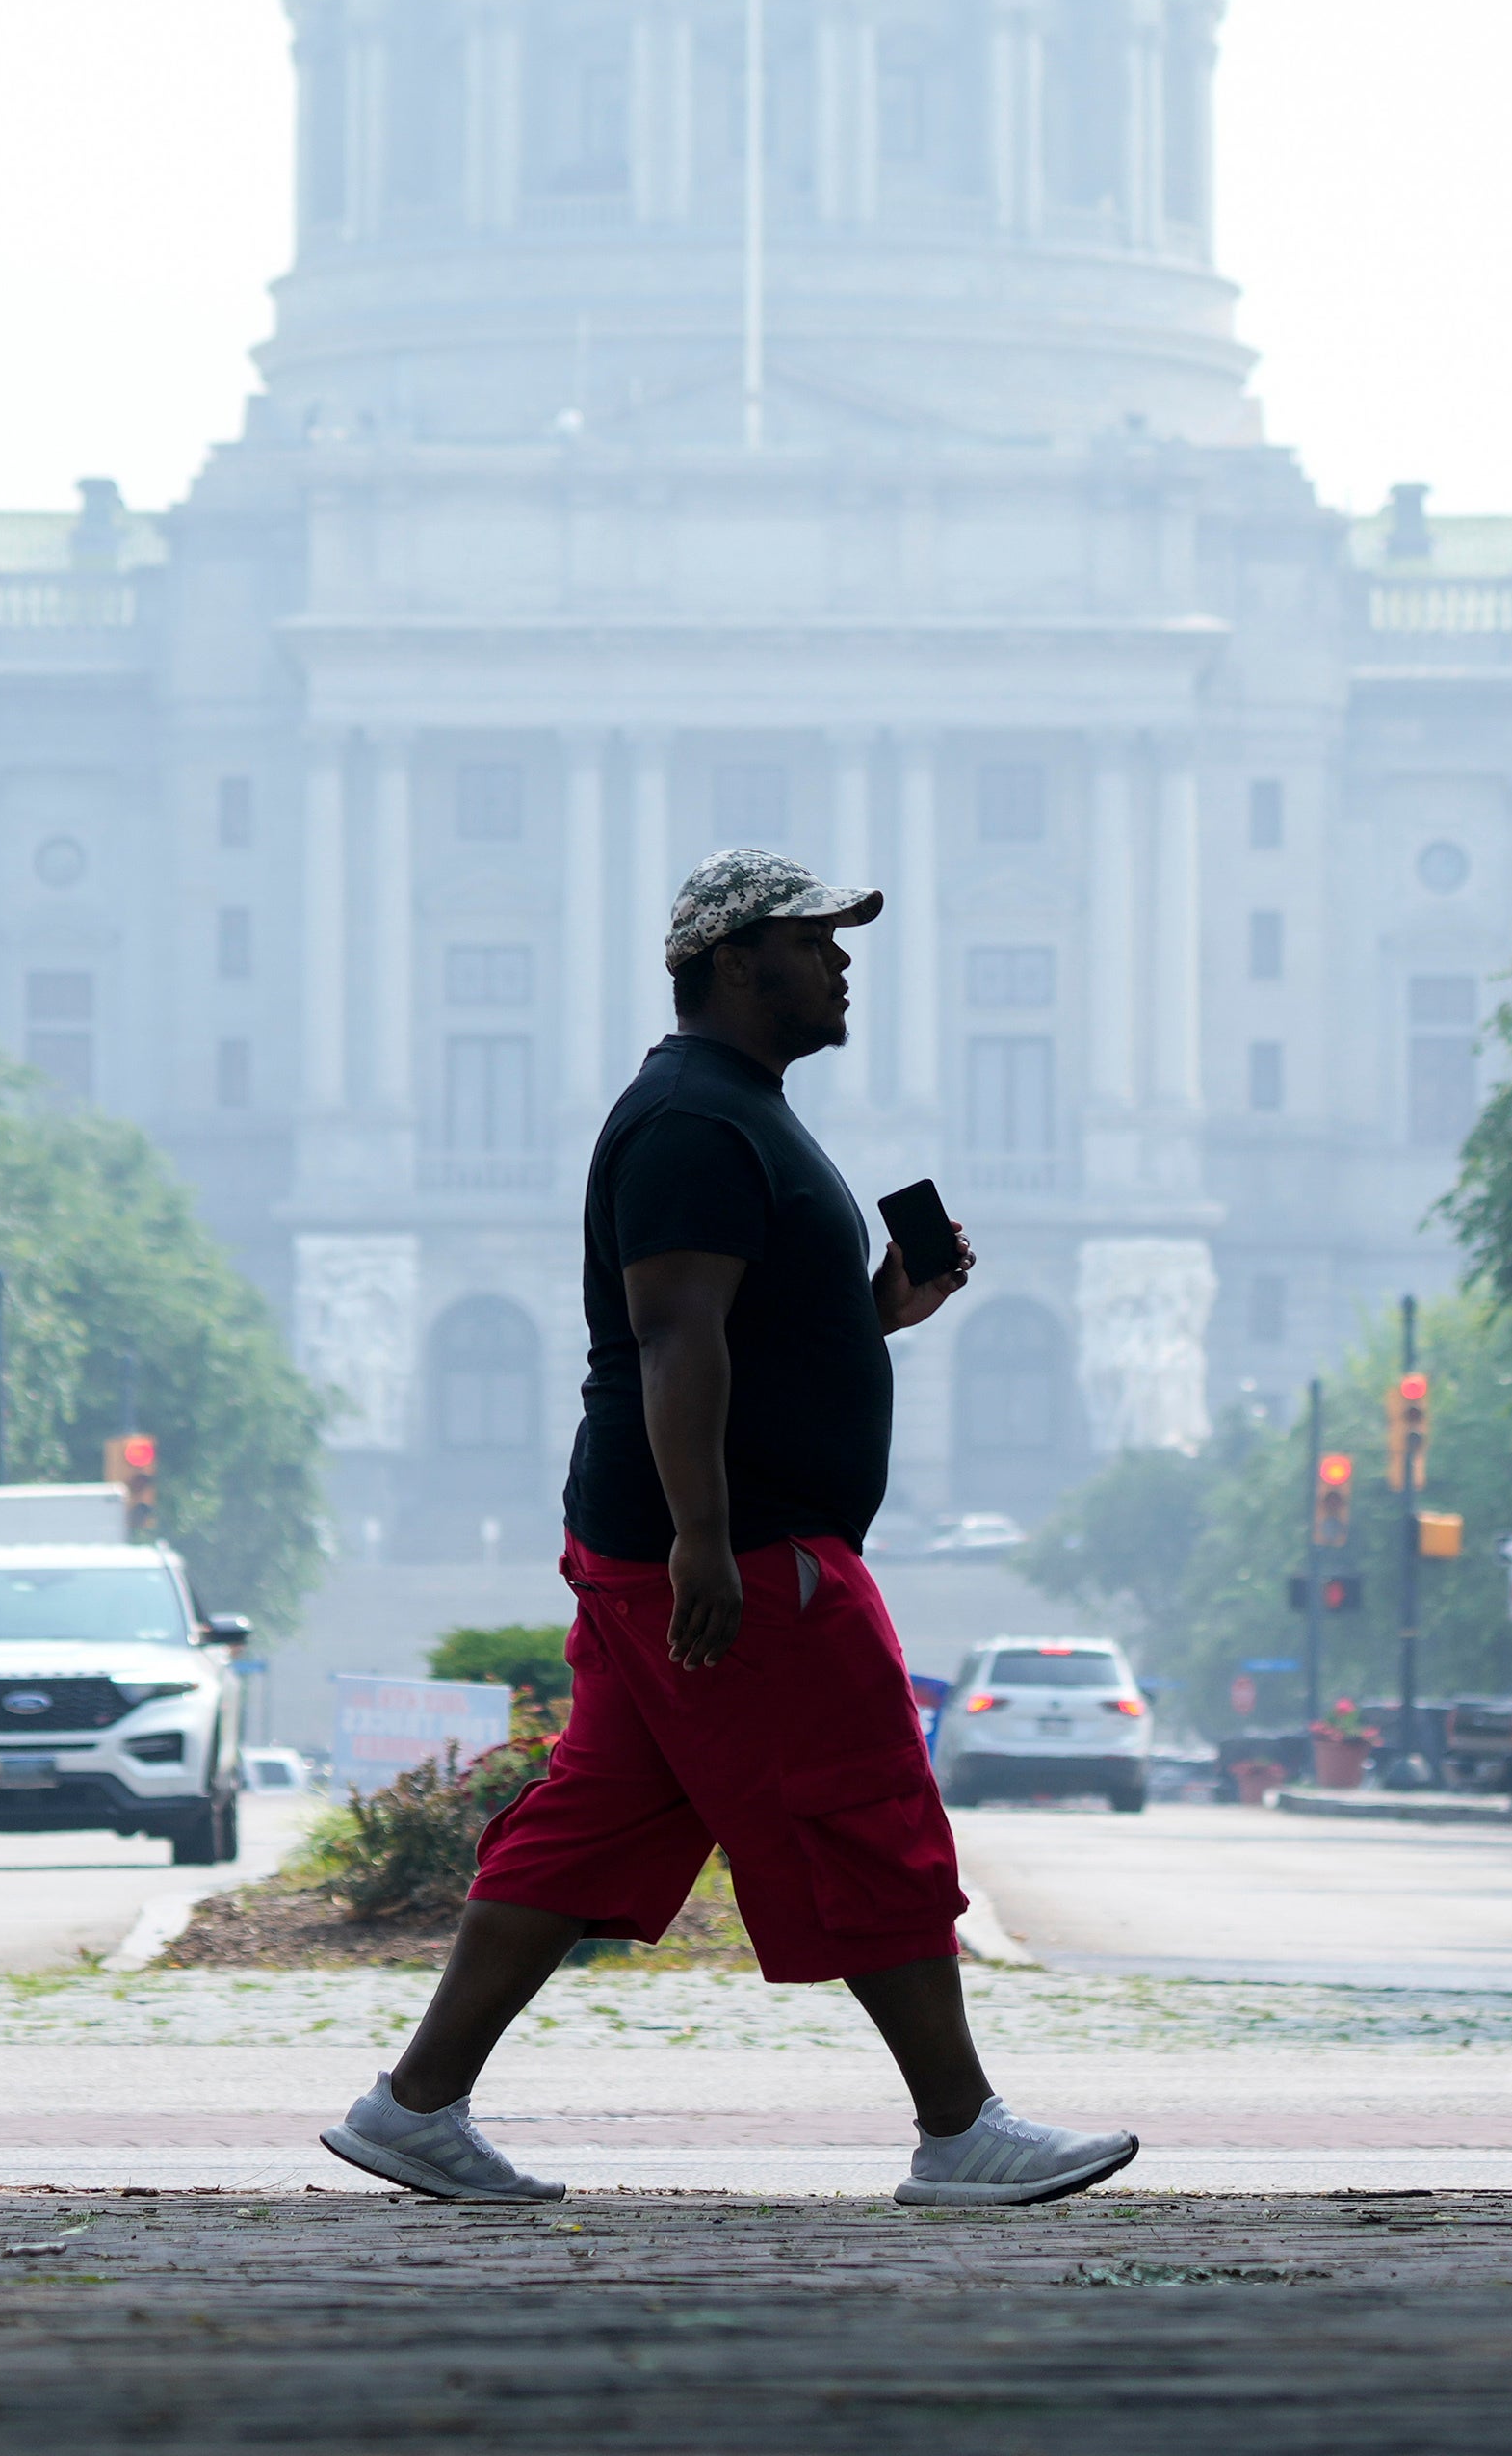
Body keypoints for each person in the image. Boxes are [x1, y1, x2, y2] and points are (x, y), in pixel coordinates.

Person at [322, 850, 1141, 2209]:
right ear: (736, 958)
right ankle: (960, 2130)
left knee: (594, 1820)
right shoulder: (696, 1123)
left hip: (692, 1538)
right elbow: (671, 1332)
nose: (843, 966)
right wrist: (704, 1537)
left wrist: (879, 1309)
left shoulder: (735, 1113)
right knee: (869, 1804)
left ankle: (412, 2107)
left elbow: (744, 1332)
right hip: (742, 1552)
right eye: (819, 942)